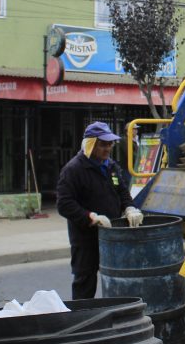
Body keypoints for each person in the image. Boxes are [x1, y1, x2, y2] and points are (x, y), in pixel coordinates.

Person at [57, 121, 145, 300]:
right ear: (91, 145)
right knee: (85, 280)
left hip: (111, 234)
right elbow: (64, 204)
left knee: (116, 279)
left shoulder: (111, 166)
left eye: (110, 144)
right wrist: (90, 217)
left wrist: (129, 207)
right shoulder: (73, 170)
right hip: (85, 237)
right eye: (103, 144)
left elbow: (121, 191)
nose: (108, 148)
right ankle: (83, 319)